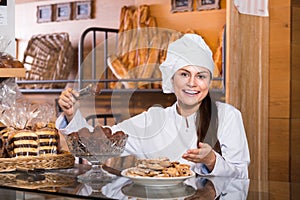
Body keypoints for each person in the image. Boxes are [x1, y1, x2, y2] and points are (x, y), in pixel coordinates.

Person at [56, 33, 250, 179]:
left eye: (201, 76)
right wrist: (72, 116)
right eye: (184, 74)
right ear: (171, 80)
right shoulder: (153, 119)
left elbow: (241, 177)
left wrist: (212, 161)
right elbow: (100, 146)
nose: (192, 83)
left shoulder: (228, 116)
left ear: (209, 80)